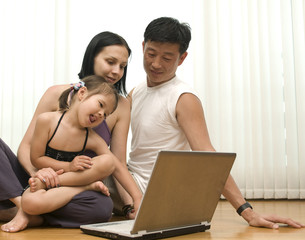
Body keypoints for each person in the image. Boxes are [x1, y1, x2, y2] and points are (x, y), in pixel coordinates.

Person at [110, 17, 305, 229]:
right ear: (142, 47)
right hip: (130, 185)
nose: (156, 64)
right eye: (151, 54)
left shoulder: (182, 97)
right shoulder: (135, 93)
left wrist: (247, 211)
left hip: (154, 191)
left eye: (167, 58)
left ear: (182, 58)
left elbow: (207, 154)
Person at [0, 31, 141, 233]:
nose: (117, 71)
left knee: (102, 209)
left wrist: (130, 205)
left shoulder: (122, 106)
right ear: (92, 57)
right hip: (36, 177)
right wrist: (38, 176)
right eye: (111, 62)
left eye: (123, 66)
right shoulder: (56, 93)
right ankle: (25, 207)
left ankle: (17, 212)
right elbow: (26, 147)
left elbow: (116, 161)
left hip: (71, 187)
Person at [20, 75, 141, 226]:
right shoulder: (47, 121)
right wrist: (68, 167)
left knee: (108, 161)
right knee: (29, 202)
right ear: (82, 93)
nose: (101, 114)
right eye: (100, 105)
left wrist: (138, 198)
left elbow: (116, 166)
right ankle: (86, 186)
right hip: (45, 178)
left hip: (62, 183)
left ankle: (81, 187)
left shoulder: (92, 138)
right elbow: (36, 159)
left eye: (105, 115)